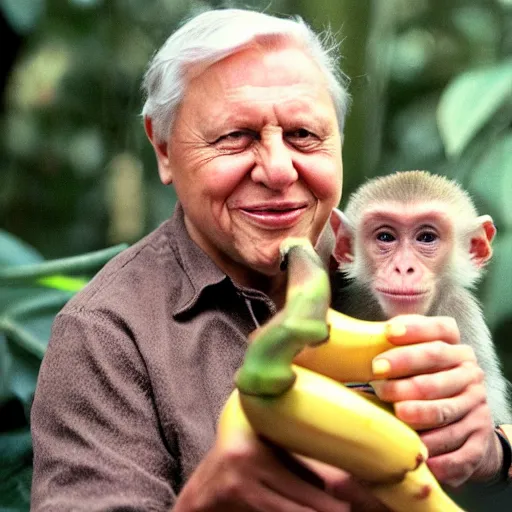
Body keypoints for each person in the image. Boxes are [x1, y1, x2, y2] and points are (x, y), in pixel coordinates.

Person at [30, 8, 510, 512]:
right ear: (164, 147)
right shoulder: (105, 334)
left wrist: (494, 452)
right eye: (234, 136)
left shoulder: (386, 263)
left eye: (304, 134)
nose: (279, 171)